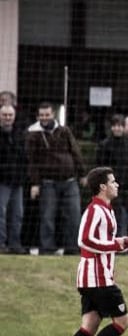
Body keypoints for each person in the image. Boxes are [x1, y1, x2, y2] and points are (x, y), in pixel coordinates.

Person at [57, 167, 128, 336]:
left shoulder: (106, 210)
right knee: (122, 321)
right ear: (103, 187)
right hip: (98, 279)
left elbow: (102, 243)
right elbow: (84, 240)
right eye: (113, 181)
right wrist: (116, 245)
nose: (117, 184)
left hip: (91, 278)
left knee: (89, 326)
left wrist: (122, 242)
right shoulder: (95, 210)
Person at [26, 102, 86, 255]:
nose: (45, 118)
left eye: (47, 115)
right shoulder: (33, 134)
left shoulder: (64, 131)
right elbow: (32, 161)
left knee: (74, 216)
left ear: (53, 114)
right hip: (48, 183)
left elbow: (75, 151)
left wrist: (83, 174)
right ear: (38, 116)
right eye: (42, 115)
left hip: (70, 181)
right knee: (47, 217)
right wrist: (35, 183)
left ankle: (73, 249)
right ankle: (47, 249)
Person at [96, 114, 128, 243]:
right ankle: (114, 245)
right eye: (115, 126)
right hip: (112, 188)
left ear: (123, 127)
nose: (117, 128)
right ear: (111, 127)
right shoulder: (105, 145)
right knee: (114, 219)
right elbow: (100, 167)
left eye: (119, 126)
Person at [0, 104, 27, 254]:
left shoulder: (19, 134)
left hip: (17, 181)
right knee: (1, 215)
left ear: (14, 116)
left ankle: (15, 244)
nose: (8, 118)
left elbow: (24, 158)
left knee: (17, 214)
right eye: (5, 115)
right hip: (2, 182)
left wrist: (23, 177)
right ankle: (1, 245)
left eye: (10, 115)